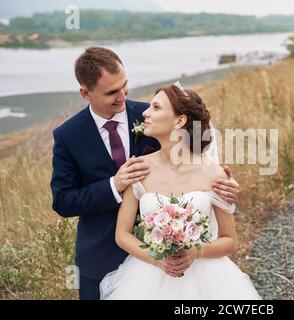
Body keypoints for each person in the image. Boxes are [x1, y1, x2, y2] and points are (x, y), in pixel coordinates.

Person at [50, 47, 241, 300]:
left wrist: (225, 184)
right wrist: (113, 185)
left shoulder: (151, 116)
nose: (122, 97)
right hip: (101, 255)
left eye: (124, 86)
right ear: (86, 92)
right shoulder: (68, 135)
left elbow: (196, 153)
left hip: (184, 265)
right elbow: (63, 200)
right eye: (111, 93)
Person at [99, 83, 261, 299]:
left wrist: (197, 251)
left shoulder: (215, 174)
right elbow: (122, 235)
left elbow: (229, 240)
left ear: (180, 120)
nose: (145, 113)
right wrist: (157, 259)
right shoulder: (138, 168)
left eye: (156, 107)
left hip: (208, 281)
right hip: (148, 278)